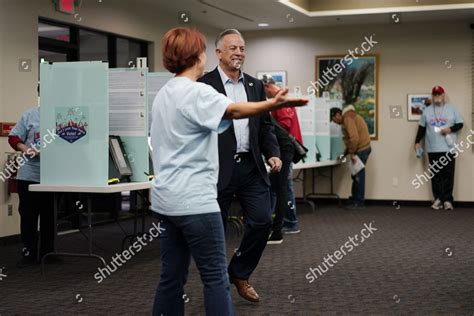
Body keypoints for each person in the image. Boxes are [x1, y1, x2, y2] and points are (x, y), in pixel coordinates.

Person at [151, 27, 308, 315]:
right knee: (214, 278)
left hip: (166, 200)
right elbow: (233, 111)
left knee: (170, 279)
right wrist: (272, 103)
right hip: (197, 199)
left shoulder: (163, 93)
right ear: (198, 56)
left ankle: (239, 270)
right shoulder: (199, 90)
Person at [198, 29, 282, 303]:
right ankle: (217, 285)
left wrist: (273, 153)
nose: (238, 53)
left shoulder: (255, 86)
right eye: (232, 48)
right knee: (214, 230)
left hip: (250, 167)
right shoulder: (204, 85)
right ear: (219, 53)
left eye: (242, 48)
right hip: (218, 168)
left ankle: (239, 271)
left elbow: (266, 126)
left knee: (261, 221)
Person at [8, 92, 55, 268]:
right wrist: (27, 150)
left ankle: (48, 252)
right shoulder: (30, 115)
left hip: (52, 177)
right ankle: (29, 253)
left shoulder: (62, 117)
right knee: (28, 216)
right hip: (29, 176)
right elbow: (14, 138)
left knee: (49, 216)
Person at [264, 78, 302, 244]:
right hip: (286, 148)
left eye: (264, 91)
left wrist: (270, 130)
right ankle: (279, 222)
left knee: (284, 187)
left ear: (267, 86)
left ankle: (291, 223)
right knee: (281, 187)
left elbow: (286, 124)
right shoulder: (282, 99)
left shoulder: (280, 100)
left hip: (285, 148)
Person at [414, 85, 463, 210]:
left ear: (443, 96)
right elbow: (422, 128)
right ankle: (437, 199)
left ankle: (447, 200)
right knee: (435, 174)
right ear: (432, 96)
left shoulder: (452, 109)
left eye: (439, 94)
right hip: (432, 148)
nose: (437, 97)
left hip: (448, 148)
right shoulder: (427, 111)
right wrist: (417, 142)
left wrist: (450, 129)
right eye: (435, 95)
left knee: (448, 174)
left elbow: (460, 124)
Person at [331, 105, 371, 209]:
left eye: (334, 119)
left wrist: (352, 154)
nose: (334, 122)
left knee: (358, 176)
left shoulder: (348, 118)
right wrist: (344, 154)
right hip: (361, 149)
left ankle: (359, 202)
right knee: (355, 175)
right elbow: (350, 141)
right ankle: (355, 199)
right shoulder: (347, 118)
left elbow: (354, 138)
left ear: (338, 115)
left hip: (361, 150)